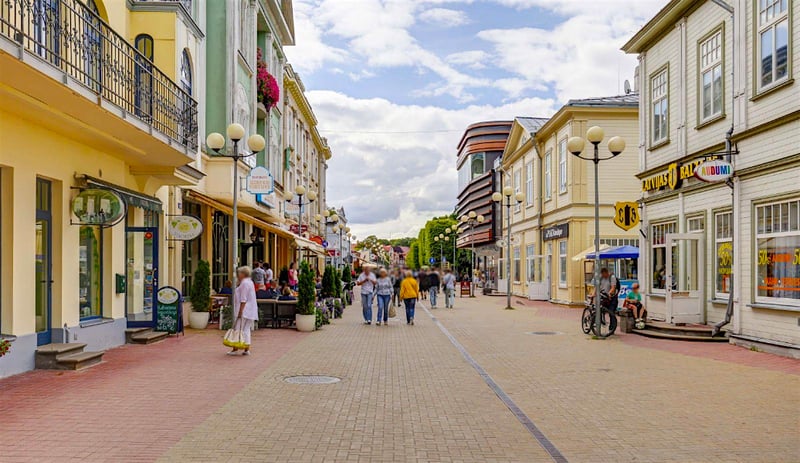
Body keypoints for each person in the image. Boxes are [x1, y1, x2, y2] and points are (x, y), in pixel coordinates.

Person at [228, 266, 258, 356]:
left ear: (243, 274)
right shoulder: (250, 282)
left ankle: (235, 348)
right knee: (246, 329)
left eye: (239, 273)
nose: (238, 275)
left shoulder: (244, 283)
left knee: (238, 328)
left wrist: (240, 311)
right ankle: (246, 348)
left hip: (245, 310)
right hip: (251, 310)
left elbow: (243, 298)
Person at [595, 268, 619, 334]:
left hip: (612, 298)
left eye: (603, 274)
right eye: (602, 274)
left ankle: (612, 329)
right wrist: (594, 294)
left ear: (606, 272)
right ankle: (598, 324)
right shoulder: (601, 278)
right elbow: (597, 286)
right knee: (598, 310)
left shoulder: (612, 277)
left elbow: (613, 287)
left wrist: (609, 293)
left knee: (611, 312)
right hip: (604, 297)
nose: (603, 275)